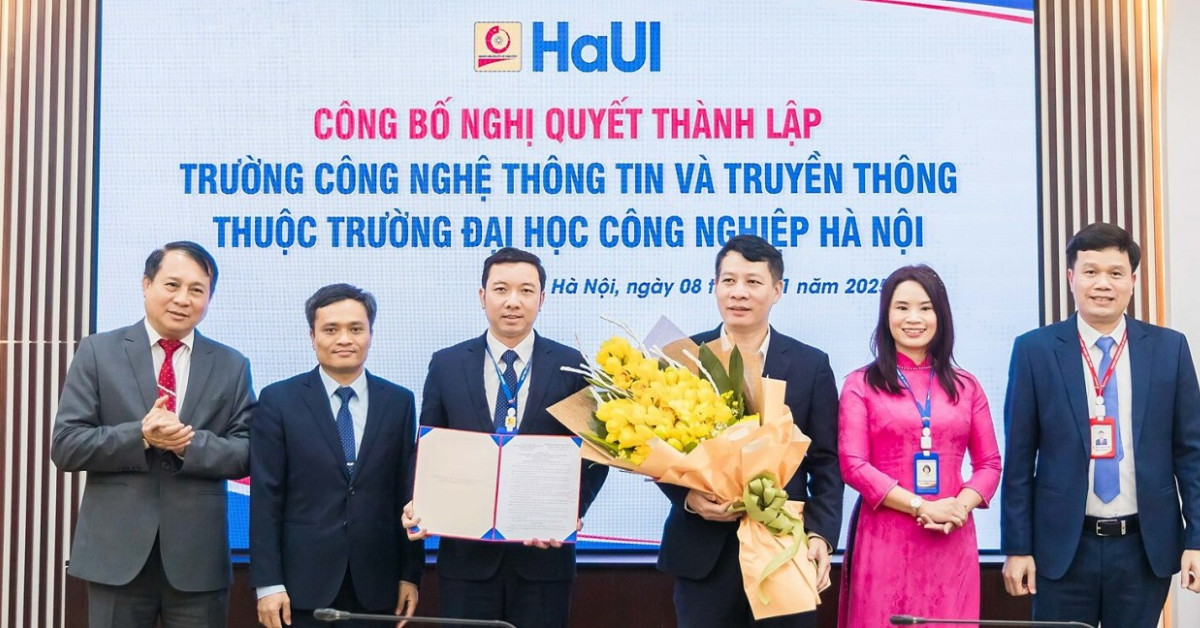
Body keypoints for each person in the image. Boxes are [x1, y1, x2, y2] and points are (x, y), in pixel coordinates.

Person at [1001, 223, 1200, 627]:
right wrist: (1017, 547)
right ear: (1071, 277)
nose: (1102, 284)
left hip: (1143, 548)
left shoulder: (1169, 349)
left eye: (1115, 273)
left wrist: (1197, 538)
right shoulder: (1035, 350)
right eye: (1090, 272)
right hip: (1063, 549)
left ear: (1133, 281)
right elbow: (1019, 460)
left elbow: (1191, 454)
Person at [50, 241, 255, 628]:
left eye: (197, 290)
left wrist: (187, 444)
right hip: (115, 556)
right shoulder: (98, 352)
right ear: (147, 284)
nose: (183, 299)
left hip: (198, 560)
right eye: (172, 285)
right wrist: (141, 436)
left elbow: (247, 453)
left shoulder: (231, 364)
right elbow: (67, 445)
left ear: (209, 298)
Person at [403, 247, 608, 628]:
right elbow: (428, 448)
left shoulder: (571, 366)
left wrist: (570, 511)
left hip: (543, 560)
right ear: (482, 296)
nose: (513, 301)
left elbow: (596, 453)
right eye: (501, 289)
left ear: (542, 299)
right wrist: (420, 501)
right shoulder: (447, 364)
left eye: (526, 291)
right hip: (466, 562)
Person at [657, 235, 843, 628]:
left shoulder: (810, 364)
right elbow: (655, 448)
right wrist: (688, 497)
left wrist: (820, 536)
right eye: (729, 281)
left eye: (753, 282)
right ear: (714, 286)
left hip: (784, 547)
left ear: (777, 290)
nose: (739, 292)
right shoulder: (681, 358)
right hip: (703, 550)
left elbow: (827, 462)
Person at [836, 264, 1001, 627]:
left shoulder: (967, 386)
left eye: (925, 308)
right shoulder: (860, 384)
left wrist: (958, 507)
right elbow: (853, 465)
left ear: (941, 315)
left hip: (951, 536)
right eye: (902, 307)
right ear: (886, 315)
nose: (914, 318)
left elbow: (990, 464)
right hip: (885, 539)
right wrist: (921, 506)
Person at [250, 284, 423, 628]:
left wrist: (410, 574)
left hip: (377, 585)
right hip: (300, 587)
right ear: (312, 336)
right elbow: (266, 497)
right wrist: (268, 584)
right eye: (331, 330)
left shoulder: (399, 402)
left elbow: (406, 494)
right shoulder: (279, 401)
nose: (344, 339)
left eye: (355, 329)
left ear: (370, 334)